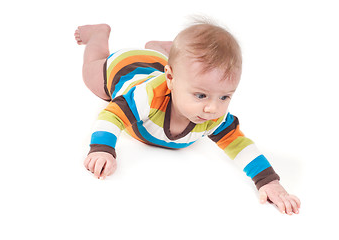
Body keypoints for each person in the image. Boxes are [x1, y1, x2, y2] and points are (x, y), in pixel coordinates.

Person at [74, 21, 301, 215]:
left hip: (162, 63)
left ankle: (159, 49)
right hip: (126, 68)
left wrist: (269, 181)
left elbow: (239, 144)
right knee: (93, 74)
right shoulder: (149, 97)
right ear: (170, 79)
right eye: (201, 95)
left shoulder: (213, 115)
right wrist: (102, 148)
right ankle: (98, 35)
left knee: (184, 67)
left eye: (224, 96)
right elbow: (112, 115)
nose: (212, 107)